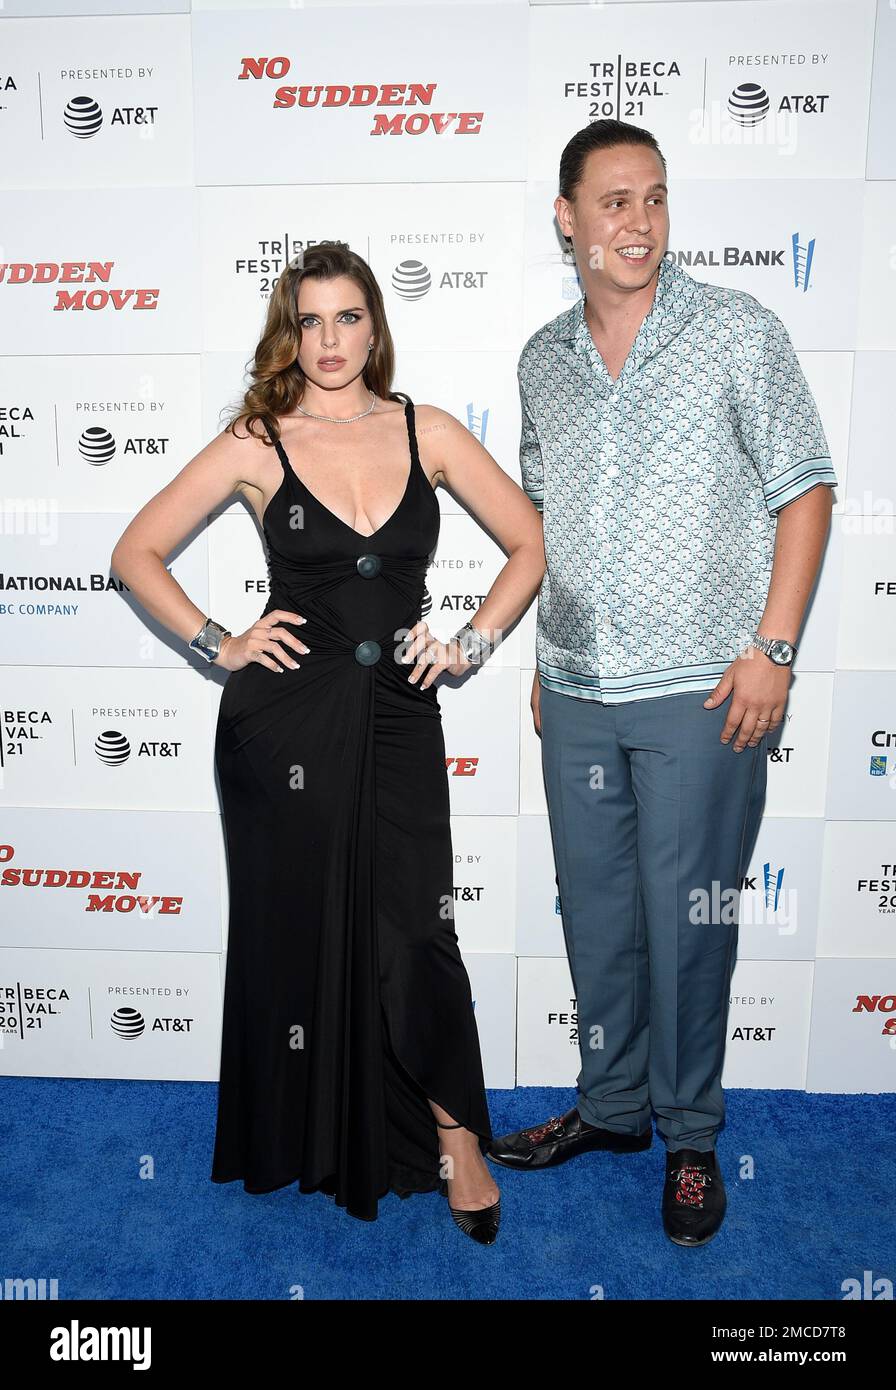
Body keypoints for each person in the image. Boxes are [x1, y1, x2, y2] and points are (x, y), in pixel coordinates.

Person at [110, 241, 545, 1245]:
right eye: (310, 321)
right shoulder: (258, 440)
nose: (330, 339)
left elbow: (527, 540)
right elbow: (135, 551)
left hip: (396, 714)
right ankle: (318, 1134)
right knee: (301, 932)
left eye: (348, 317)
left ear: (374, 327)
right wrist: (222, 644)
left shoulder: (424, 428)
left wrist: (470, 642)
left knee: (414, 927)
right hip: (283, 727)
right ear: (289, 332)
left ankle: (454, 1137)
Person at [486, 119, 838, 1247]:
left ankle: (688, 1136)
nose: (636, 223)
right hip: (578, 692)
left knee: (688, 925)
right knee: (597, 919)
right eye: (613, 202)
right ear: (567, 218)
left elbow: (805, 491)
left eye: (653, 200)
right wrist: (547, 659)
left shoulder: (738, 329)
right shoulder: (541, 358)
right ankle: (611, 1107)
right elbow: (541, 529)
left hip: (703, 693)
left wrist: (771, 650)